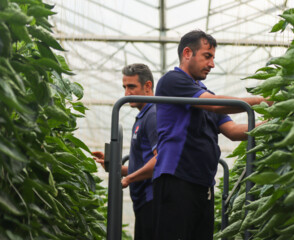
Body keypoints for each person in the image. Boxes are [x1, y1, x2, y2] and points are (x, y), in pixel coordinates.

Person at [153, 30, 270, 240]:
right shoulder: (173, 81)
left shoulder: (204, 94)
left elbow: (233, 131)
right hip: (177, 179)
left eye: (213, 58)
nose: (212, 64)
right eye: (207, 56)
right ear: (187, 53)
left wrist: (273, 123)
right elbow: (216, 105)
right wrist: (263, 100)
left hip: (202, 184)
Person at [92, 63, 157, 240]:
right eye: (124, 87)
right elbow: (143, 166)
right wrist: (114, 167)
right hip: (143, 202)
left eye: (131, 87)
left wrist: (128, 179)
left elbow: (159, 161)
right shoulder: (143, 116)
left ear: (148, 86)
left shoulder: (153, 115)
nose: (126, 93)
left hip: (153, 201)